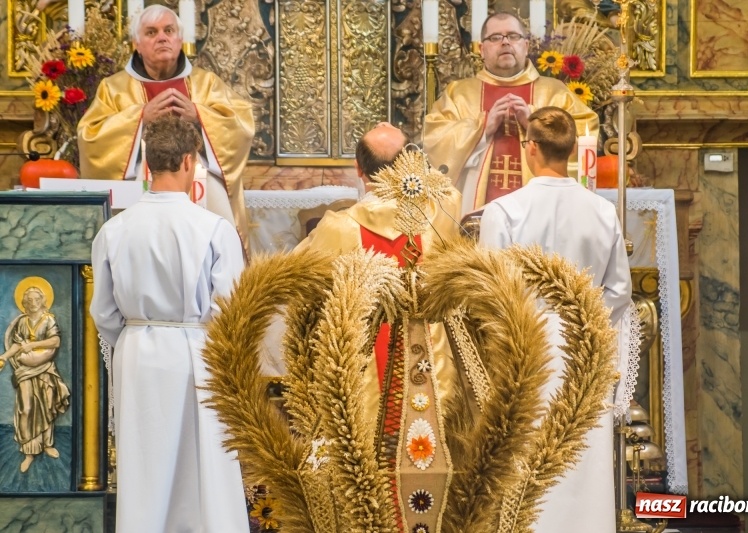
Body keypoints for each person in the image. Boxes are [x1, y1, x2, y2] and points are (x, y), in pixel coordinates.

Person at [90, 115, 248, 533]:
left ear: (147, 164)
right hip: (198, 353)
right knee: (205, 472)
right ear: (188, 161)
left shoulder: (113, 230)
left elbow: (104, 313)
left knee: (144, 473)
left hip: (136, 354)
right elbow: (229, 311)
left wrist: (136, 337)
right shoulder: (214, 228)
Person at [479, 106, 632, 533]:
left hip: (527, 356)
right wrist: (585, 324)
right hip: (585, 356)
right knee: (583, 462)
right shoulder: (602, 212)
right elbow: (619, 290)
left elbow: (495, 296)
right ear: (569, 151)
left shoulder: (505, 211)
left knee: (528, 465)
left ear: (530, 149)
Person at [294, 121, 462, 429]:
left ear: (358, 169)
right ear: (411, 163)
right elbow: (448, 189)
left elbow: (299, 276)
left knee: (370, 441)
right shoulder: (437, 217)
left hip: (365, 360)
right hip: (427, 356)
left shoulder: (338, 227)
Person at [77, 4, 254, 256]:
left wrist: (200, 116)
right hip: (139, 197)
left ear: (180, 40)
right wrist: (139, 118)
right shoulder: (113, 88)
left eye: (168, 30)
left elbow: (241, 125)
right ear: (136, 44)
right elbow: (90, 136)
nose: (161, 37)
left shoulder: (207, 83)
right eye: (151, 32)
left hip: (198, 186)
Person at [423, 11, 599, 216]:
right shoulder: (458, 93)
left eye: (513, 36)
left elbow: (587, 139)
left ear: (526, 46)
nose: (505, 42)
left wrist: (535, 123)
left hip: (542, 214)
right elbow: (434, 140)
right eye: (495, 38)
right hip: (474, 212)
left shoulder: (556, 92)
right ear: (481, 49)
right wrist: (481, 128)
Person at [0, 284, 70, 473]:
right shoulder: (22, 322)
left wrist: (32, 345)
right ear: (23, 303)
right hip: (25, 370)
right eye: (29, 300)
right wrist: (4, 357)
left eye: (36, 299)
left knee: (46, 406)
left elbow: (55, 341)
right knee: (27, 409)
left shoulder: (48, 320)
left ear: (43, 301)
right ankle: (29, 452)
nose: (33, 303)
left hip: (45, 368)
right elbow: (16, 345)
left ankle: (47, 444)